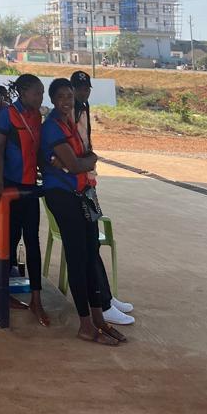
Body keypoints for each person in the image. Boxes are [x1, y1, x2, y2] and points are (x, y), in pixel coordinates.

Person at [40, 78, 127, 345]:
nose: (67, 101)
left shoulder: (70, 123)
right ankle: (85, 325)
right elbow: (78, 164)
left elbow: (84, 157)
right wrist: (87, 161)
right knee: (78, 260)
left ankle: (99, 319)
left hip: (82, 196)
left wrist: (86, 160)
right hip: (63, 198)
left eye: (69, 96)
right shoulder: (52, 127)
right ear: (52, 100)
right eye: (61, 97)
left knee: (90, 255)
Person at [70, 70, 135, 325]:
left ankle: (106, 296)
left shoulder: (84, 108)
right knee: (89, 244)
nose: (83, 92)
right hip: (78, 185)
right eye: (79, 88)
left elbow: (86, 143)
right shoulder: (68, 112)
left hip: (88, 183)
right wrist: (88, 161)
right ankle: (103, 304)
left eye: (86, 88)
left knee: (94, 243)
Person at [0, 73, 49, 326]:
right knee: (10, 240)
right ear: (24, 92)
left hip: (30, 188)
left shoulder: (37, 116)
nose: (40, 97)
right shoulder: (8, 114)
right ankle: (2, 295)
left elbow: (36, 150)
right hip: (11, 188)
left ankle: (36, 299)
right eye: (37, 93)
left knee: (32, 241)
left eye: (42, 93)